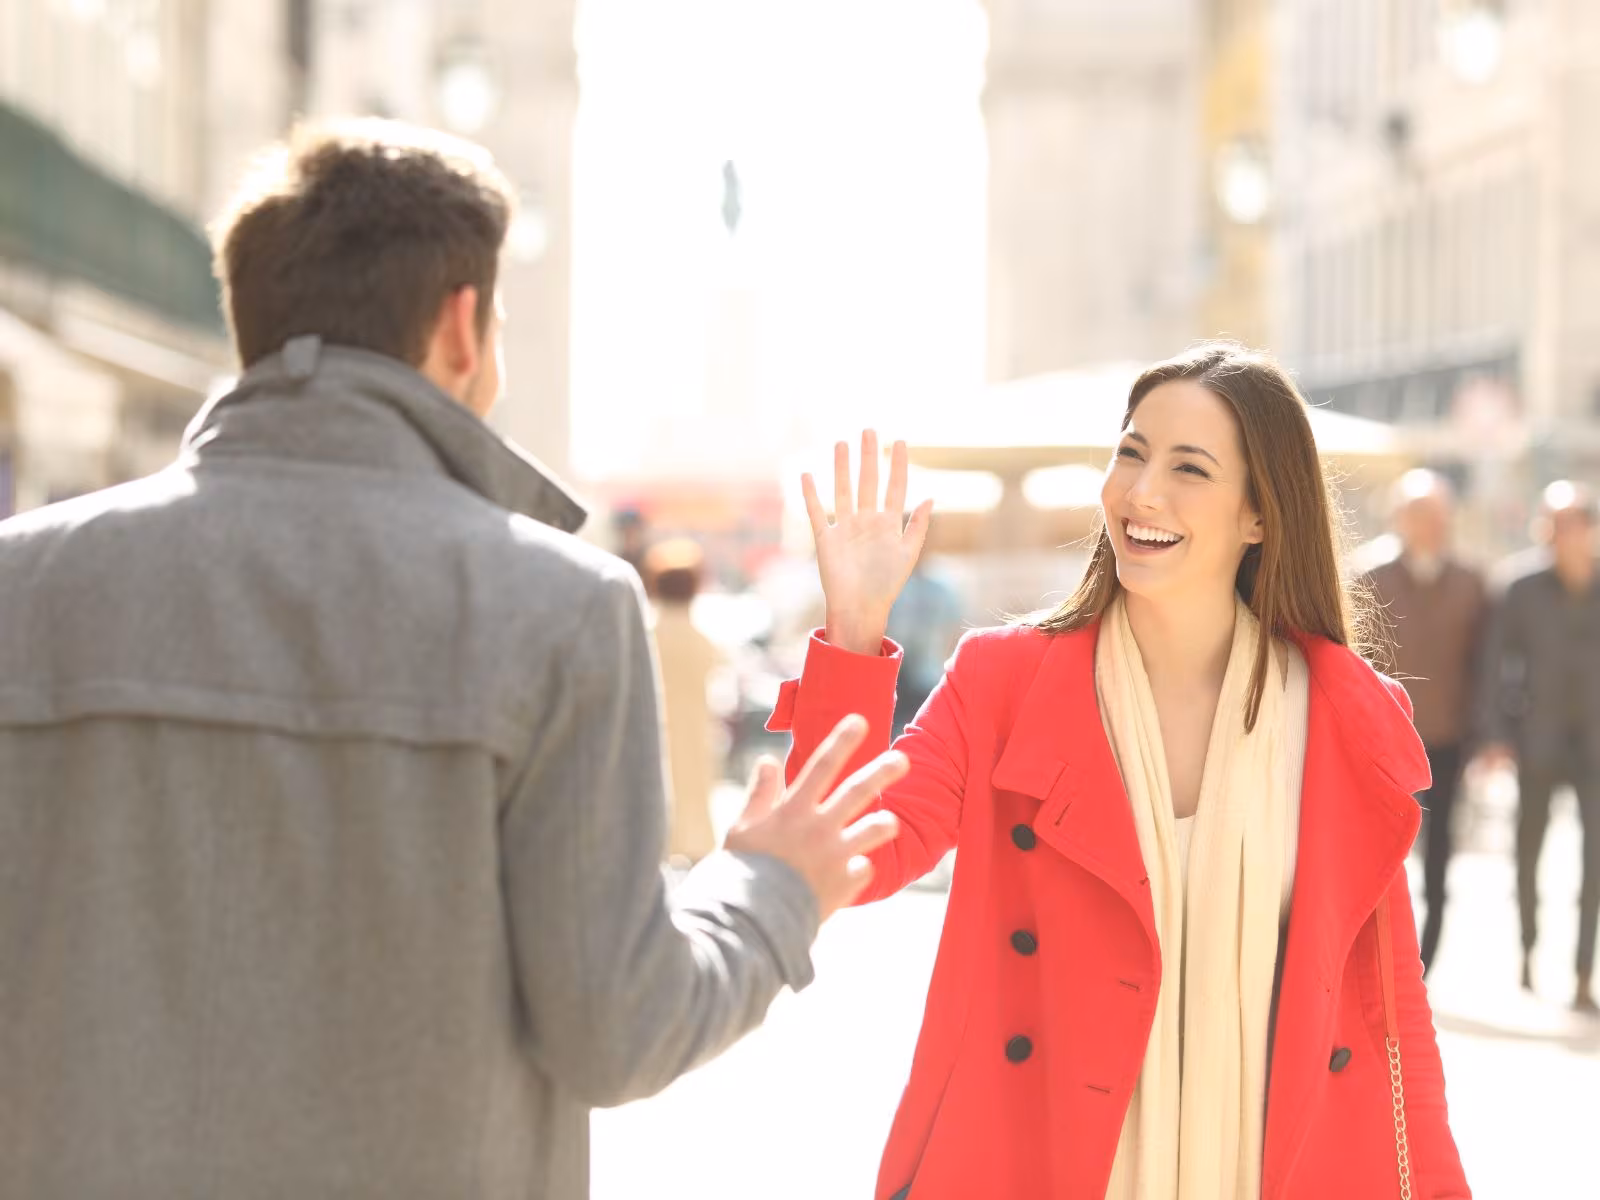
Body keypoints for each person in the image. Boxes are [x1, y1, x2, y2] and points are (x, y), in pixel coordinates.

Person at [0, 119, 908, 1199]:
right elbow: (618, 1029)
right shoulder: (555, 608)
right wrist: (768, 890)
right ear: (462, 329)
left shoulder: (27, 582)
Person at [768, 344, 1470, 1198]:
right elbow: (843, 853)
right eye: (1131, 452)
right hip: (1039, 1161)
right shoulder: (1003, 682)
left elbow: (1391, 1010)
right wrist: (851, 630)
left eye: (1190, 468)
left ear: (1260, 514)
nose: (1142, 491)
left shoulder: (1342, 714)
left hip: (1276, 1169)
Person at [1477, 480, 1600, 1014]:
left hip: (1595, 745)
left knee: (1594, 862)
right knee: (1528, 852)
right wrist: (1498, 736)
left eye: (1569, 524)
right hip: (1538, 739)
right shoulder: (1519, 587)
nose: (1558, 535)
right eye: (1550, 524)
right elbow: (1493, 667)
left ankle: (1581, 973)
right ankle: (1527, 953)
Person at [1363, 469, 1488, 973]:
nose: (1431, 526)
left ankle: (1422, 964)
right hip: (1385, 742)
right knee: (1381, 855)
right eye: (1420, 515)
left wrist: (1482, 736)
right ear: (1399, 519)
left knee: (1438, 859)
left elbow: (1485, 664)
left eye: (1439, 516)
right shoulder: (1369, 577)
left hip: (1447, 741)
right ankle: (1378, 958)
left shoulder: (1471, 584)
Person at [646, 537, 722, 863]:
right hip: (694, 732)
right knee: (694, 798)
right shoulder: (702, 639)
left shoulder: (646, 633)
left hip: (652, 732)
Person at [885, 547, 965, 737]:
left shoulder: (943, 587)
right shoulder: (886, 585)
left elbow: (954, 632)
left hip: (927, 678)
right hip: (893, 679)